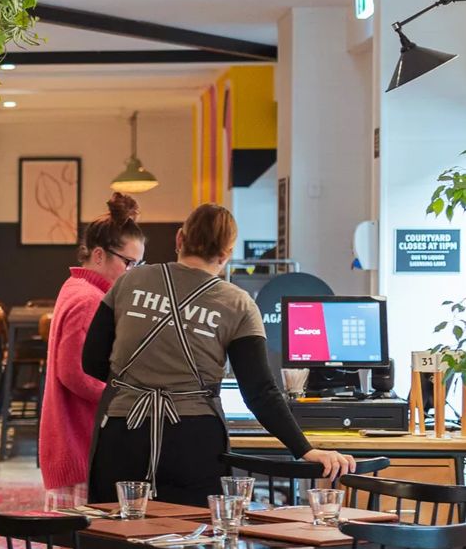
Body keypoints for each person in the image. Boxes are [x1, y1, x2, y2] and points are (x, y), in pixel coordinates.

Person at [82, 202, 353, 507]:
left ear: (179, 239)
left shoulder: (129, 282)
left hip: (124, 433)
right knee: (189, 543)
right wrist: (304, 449)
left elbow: (91, 361)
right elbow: (260, 392)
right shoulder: (238, 304)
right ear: (225, 256)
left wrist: (141, 382)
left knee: (123, 536)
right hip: (192, 441)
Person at [40, 193, 146, 492]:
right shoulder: (89, 299)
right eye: (128, 263)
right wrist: (125, 398)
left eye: (139, 264)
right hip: (80, 442)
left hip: (73, 439)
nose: (132, 272)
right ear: (99, 255)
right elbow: (75, 373)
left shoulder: (76, 287)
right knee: (85, 537)